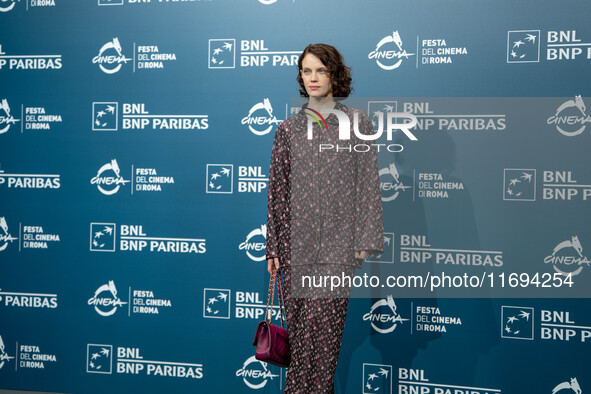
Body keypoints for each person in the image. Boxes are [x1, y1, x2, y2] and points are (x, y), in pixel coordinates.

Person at [265, 43, 384, 393]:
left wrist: (364, 241)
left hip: (337, 250)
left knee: (323, 340)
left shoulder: (357, 121)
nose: (313, 78)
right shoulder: (287, 129)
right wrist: (273, 246)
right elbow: (277, 190)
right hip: (294, 249)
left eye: (320, 70)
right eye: (306, 71)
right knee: (302, 340)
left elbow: (368, 183)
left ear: (334, 74)